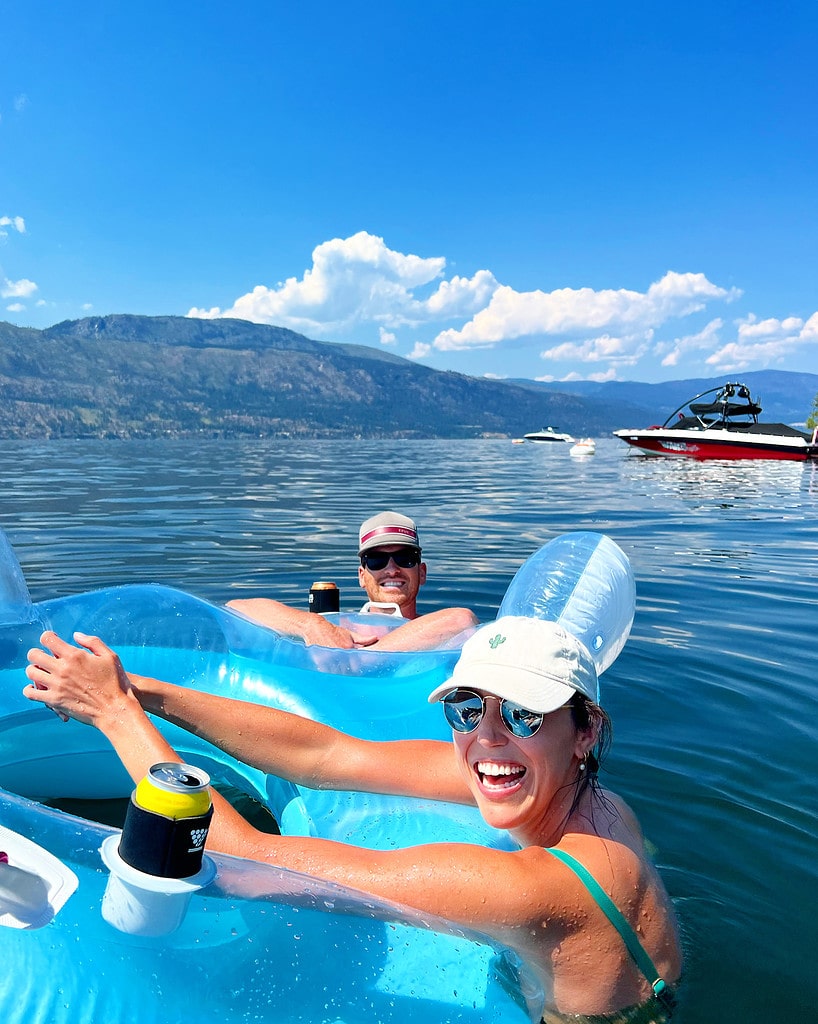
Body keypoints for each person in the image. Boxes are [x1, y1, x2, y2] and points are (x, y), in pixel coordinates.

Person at [24, 614, 681, 1022]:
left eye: (523, 715)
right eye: (466, 711)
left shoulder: (532, 886)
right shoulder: (593, 797)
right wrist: (145, 692)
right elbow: (329, 753)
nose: (488, 741)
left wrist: (114, 716)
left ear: (585, 731)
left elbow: (250, 854)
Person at [226, 510, 478, 651]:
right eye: (377, 560)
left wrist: (363, 658)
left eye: (405, 558)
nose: (392, 569)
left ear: (421, 572)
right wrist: (310, 625)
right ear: (361, 575)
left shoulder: (444, 632)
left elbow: (463, 619)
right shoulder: (333, 628)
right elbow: (236, 609)